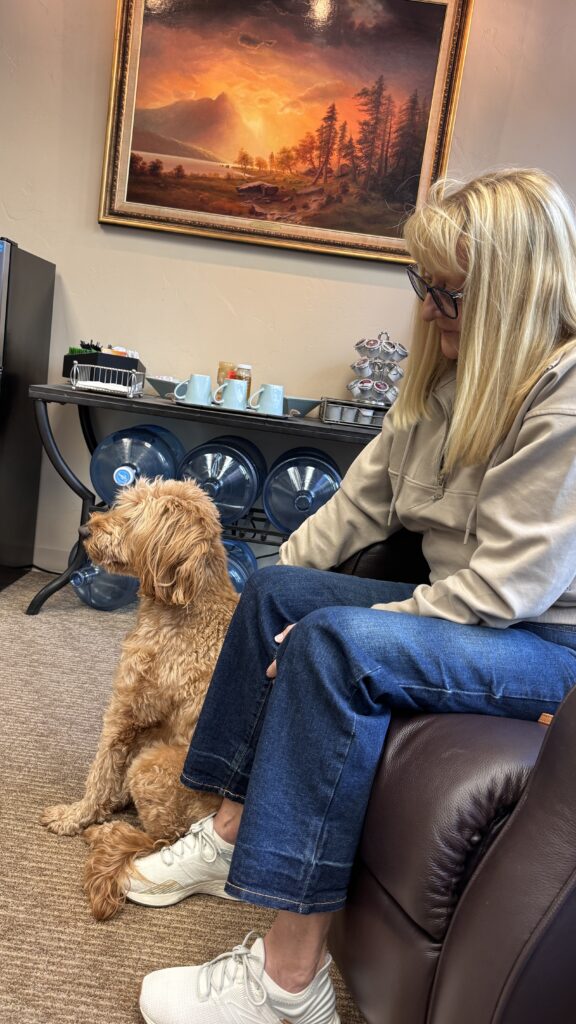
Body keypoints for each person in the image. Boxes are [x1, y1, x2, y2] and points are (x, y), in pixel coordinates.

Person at [133, 168, 576, 1024]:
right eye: (425, 286)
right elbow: (354, 510)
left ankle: (287, 986)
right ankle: (231, 834)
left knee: (332, 643)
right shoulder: (442, 384)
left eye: (451, 293)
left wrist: (337, 628)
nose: (431, 309)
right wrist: (272, 606)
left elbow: (503, 590)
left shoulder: (564, 396)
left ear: (514, 294)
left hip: (543, 643)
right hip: (469, 603)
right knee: (275, 589)